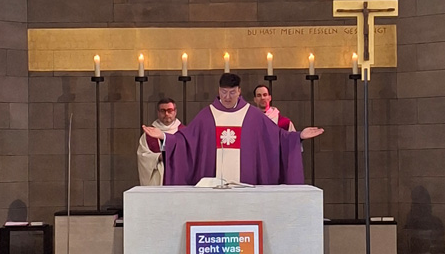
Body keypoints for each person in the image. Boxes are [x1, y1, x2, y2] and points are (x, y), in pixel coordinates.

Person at [142, 73, 323, 186]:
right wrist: (165, 137)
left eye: (232, 92)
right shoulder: (207, 115)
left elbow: (277, 138)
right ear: (219, 91)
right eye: (223, 92)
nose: (227, 97)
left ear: (239, 91)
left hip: (246, 184)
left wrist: (298, 136)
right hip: (214, 188)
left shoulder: (252, 115)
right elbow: (186, 141)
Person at [136, 98, 181, 186]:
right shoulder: (149, 134)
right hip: (157, 179)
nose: (166, 114)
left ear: (175, 112)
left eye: (169, 110)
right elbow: (142, 155)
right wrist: (158, 157)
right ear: (158, 113)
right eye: (163, 111)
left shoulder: (183, 132)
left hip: (178, 175)